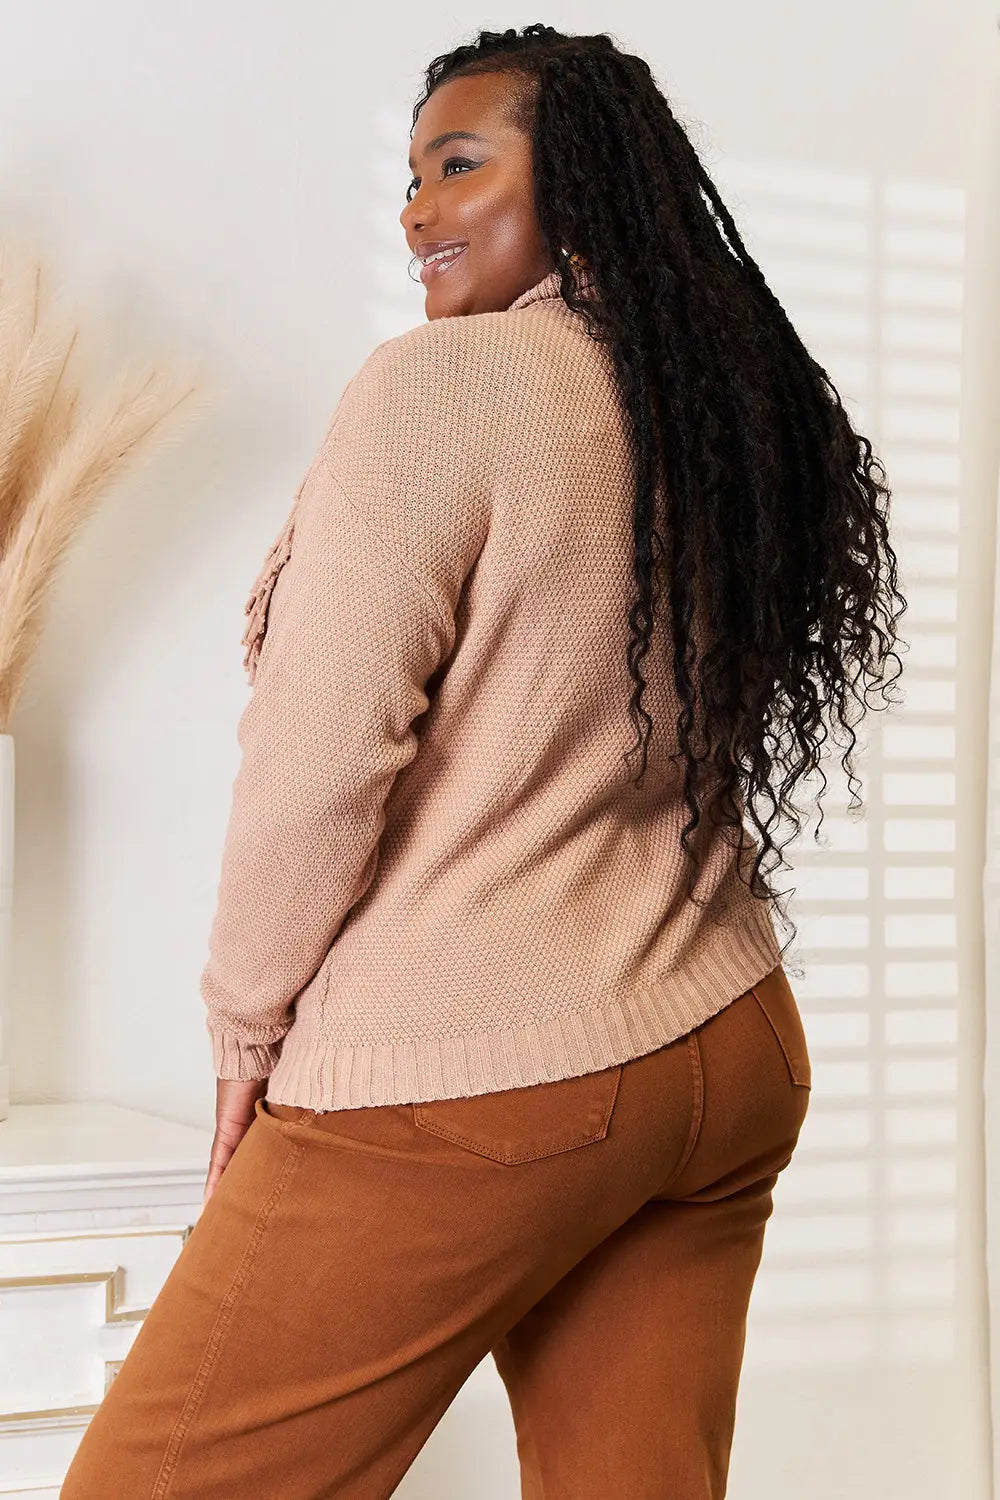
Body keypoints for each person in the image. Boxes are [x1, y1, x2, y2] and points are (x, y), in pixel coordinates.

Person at [61, 23, 905, 1500]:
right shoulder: (728, 409)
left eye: (461, 164)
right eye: (406, 180)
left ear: (576, 178)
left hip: (479, 1068)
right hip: (722, 1034)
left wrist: (246, 1039)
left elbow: (318, 766)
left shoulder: (440, 392)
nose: (417, 212)